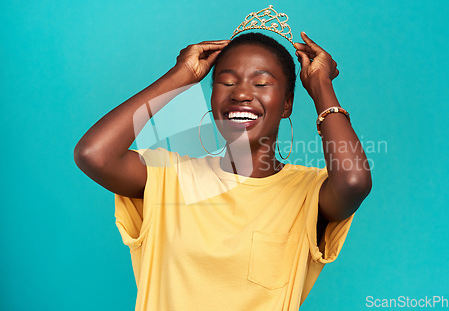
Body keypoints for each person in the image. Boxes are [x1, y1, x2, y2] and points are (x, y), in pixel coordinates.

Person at [74, 29, 372, 310]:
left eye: (261, 83)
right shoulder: (169, 176)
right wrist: (181, 77)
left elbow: (354, 181)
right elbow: (94, 154)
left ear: (286, 105)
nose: (241, 93)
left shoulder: (308, 193)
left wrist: (321, 86)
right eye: (227, 82)